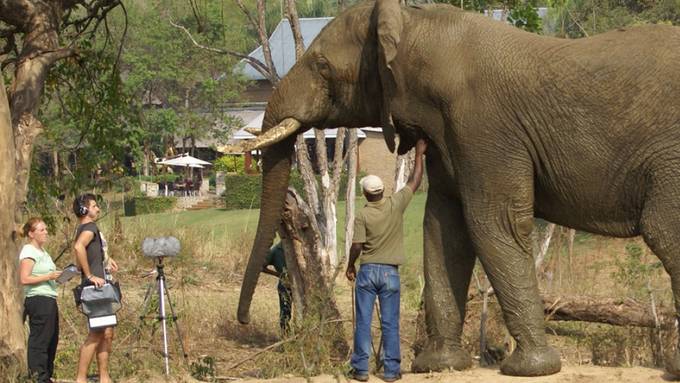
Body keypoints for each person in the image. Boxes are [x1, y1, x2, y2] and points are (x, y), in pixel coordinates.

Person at [346, 139, 427, 382]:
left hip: (368, 271)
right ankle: (391, 371)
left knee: (363, 321)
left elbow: (357, 245)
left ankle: (361, 369)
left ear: (365, 193)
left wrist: (350, 265)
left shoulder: (362, 215)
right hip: (390, 274)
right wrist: (420, 154)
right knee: (390, 323)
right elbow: (415, 180)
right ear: (382, 191)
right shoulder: (395, 205)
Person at [72, 194, 118, 383]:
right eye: (94, 206)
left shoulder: (88, 228)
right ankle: (81, 379)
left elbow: (87, 252)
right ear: (84, 210)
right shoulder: (90, 227)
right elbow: (78, 247)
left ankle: (104, 377)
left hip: (102, 285)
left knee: (107, 332)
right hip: (95, 287)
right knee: (97, 332)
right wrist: (90, 275)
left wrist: (107, 260)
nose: (98, 209)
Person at [18, 217, 62, 383]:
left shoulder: (44, 252)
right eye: (41, 230)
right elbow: (24, 278)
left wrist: (58, 277)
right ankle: (38, 377)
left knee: (52, 338)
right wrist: (48, 276)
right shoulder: (29, 252)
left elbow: (45, 276)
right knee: (40, 339)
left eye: (46, 229)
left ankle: (47, 375)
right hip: (38, 299)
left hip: (49, 297)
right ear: (31, 233)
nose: (46, 232)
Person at [262, 241, 292, 333]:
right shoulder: (275, 251)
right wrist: (277, 274)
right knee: (285, 311)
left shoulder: (296, 248)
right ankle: (285, 334)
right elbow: (262, 267)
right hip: (285, 284)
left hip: (300, 284)